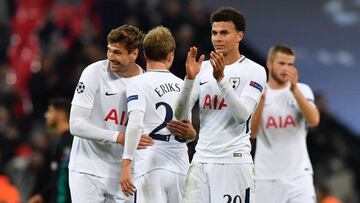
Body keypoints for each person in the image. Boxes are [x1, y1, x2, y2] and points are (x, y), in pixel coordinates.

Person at [174, 7, 267, 203]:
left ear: (239, 35)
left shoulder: (255, 71)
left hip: (233, 162)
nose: (217, 38)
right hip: (201, 160)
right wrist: (189, 80)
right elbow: (180, 114)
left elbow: (242, 116)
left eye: (224, 33)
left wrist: (221, 80)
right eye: (214, 33)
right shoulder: (203, 69)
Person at [68, 25, 154, 202]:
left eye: (117, 53)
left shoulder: (146, 83)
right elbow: (75, 125)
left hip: (124, 174)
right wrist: (119, 137)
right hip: (86, 169)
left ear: (134, 54)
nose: (110, 57)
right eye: (109, 50)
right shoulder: (93, 73)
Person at [120, 26, 196, 203]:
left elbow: (136, 123)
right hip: (181, 168)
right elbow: (187, 131)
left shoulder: (137, 83)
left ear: (144, 54)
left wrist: (126, 163)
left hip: (150, 166)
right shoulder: (183, 85)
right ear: (171, 55)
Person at [250, 44, 320, 203]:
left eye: (290, 64)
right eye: (281, 63)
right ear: (269, 63)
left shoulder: (302, 89)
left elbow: (314, 120)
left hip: (299, 177)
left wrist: (294, 90)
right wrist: (261, 101)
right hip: (265, 177)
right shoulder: (257, 93)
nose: (286, 68)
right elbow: (252, 133)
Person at [28, 98, 73, 203]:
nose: (46, 115)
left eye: (50, 111)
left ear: (61, 114)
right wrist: (42, 195)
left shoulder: (70, 143)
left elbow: (64, 177)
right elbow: (55, 178)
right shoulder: (58, 143)